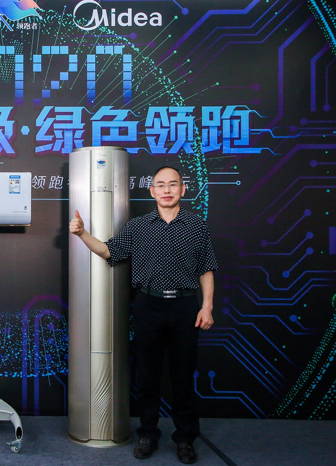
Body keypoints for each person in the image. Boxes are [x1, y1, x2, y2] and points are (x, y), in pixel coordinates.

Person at [69, 166, 217, 464]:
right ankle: (148, 435)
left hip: (185, 308)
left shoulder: (196, 225)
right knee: (147, 377)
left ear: (183, 189)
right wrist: (82, 233)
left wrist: (207, 306)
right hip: (148, 305)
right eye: (160, 185)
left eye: (172, 184)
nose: (167, 190)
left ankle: (185, 439)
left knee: (183, 378)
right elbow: (109, 251)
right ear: (152, 191)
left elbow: (206, 268)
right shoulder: (138, 226)